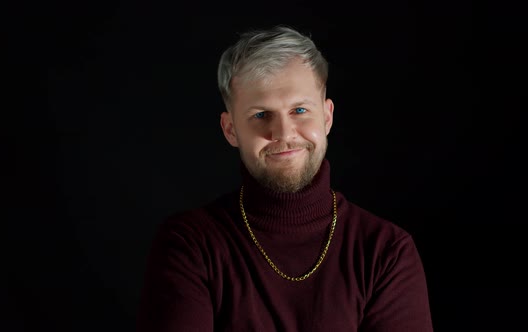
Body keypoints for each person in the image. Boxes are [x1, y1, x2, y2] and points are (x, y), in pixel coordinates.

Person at [136, 25, 433, 332]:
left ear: (327, 117)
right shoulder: (191, 244)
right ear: (231, 129)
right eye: (260, 115)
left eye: (300, 109)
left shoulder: (385, 251)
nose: (283, 133)